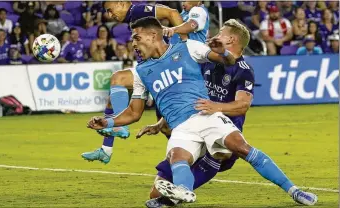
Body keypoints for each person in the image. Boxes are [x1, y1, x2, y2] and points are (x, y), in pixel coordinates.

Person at [87, 16, 318, 206]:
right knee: (177, 157)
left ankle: (294, 191)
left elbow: (228, 62)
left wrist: (224, 53)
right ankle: (183, 192)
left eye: (137, 38)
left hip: (206, 116)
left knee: (241, 147)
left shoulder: (188, 48)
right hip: (180, 128)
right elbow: (133, 112)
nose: (133, 44)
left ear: (153, 35)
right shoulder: (140, 73)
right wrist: (108, 123)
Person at [81, 1, 225, 163]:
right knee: (115, 99)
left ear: (121, 3)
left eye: (110, 10)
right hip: (167, 65)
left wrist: (183, 45)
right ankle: (106, 149)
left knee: (119, 79)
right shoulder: (137, 18)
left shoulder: (138, 10)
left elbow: (171, 13)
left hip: (179, 66)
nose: (109, 15)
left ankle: (195, 159)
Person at [142, 18, 255, 207]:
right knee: (154, 192)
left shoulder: (243, 70)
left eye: (221, 34)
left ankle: (178, 195)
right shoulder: (206, 61)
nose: (215, 35)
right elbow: (187, 97)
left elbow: (242, 105)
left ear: (232, 40)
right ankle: (176, 192)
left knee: (221, 154)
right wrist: (161, 123)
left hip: (222, 130)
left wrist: (215, 107)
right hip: (193, 124)